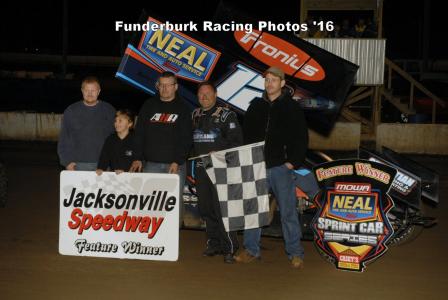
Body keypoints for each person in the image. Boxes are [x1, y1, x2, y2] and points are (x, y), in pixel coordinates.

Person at [234, 66, 308, 269]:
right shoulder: (255, 105)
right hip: (257, 165)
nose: (270, 83)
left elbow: (301, 137)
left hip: (280, 168)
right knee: (253, 212)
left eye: (274, 80)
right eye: (267, 80)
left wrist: (292, 161)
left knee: (287, 212)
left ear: (282, 83)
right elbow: (246, 134)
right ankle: (251, 250)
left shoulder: (292, 108)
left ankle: (295, 252)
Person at [130, 71, 192, 226]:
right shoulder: (149, 105)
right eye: (161, 85)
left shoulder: (184, 108)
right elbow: (139, 133)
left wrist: (177, 161)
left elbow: (186, 138)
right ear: (157, 86)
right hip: (151, 164)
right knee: (151, 204)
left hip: (175, 165)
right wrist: (137, 157)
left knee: (174, 203)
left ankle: (172, 240)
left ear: (175, 87)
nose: (164, 89)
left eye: (168, 85)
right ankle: (153, 240)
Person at [192, 81, 243, 264]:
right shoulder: (195, 114)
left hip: (221, 168)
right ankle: (214, 243)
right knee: (206, 208)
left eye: (207, 93)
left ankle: (229, 247)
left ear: (215, 94)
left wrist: (220, 153)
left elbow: (237, 142)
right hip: (200, 168)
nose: (203, 97)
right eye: (200, 94)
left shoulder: (227, 115)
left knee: (223, 209)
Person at [58, 76, 115, 171]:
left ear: (99, 91)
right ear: (82, 91)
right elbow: (64, 138)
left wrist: (115, 161)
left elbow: (115, 138)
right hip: (77, 164)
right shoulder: (71, 111)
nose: (90, 93)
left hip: (103, 164)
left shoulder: (109, 110)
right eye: (87, 90)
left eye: (93, 90)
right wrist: (67, 161)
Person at [96, 109, 136, 175]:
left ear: (130, 124)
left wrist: (125, 172)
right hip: (114, 178)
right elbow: (104, 157)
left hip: (132, 178)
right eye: (115, 121)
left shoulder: (136, 139)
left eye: (120, 121)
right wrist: (101, 168)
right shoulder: (110, 139)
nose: (116, 123)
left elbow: (138, 161)